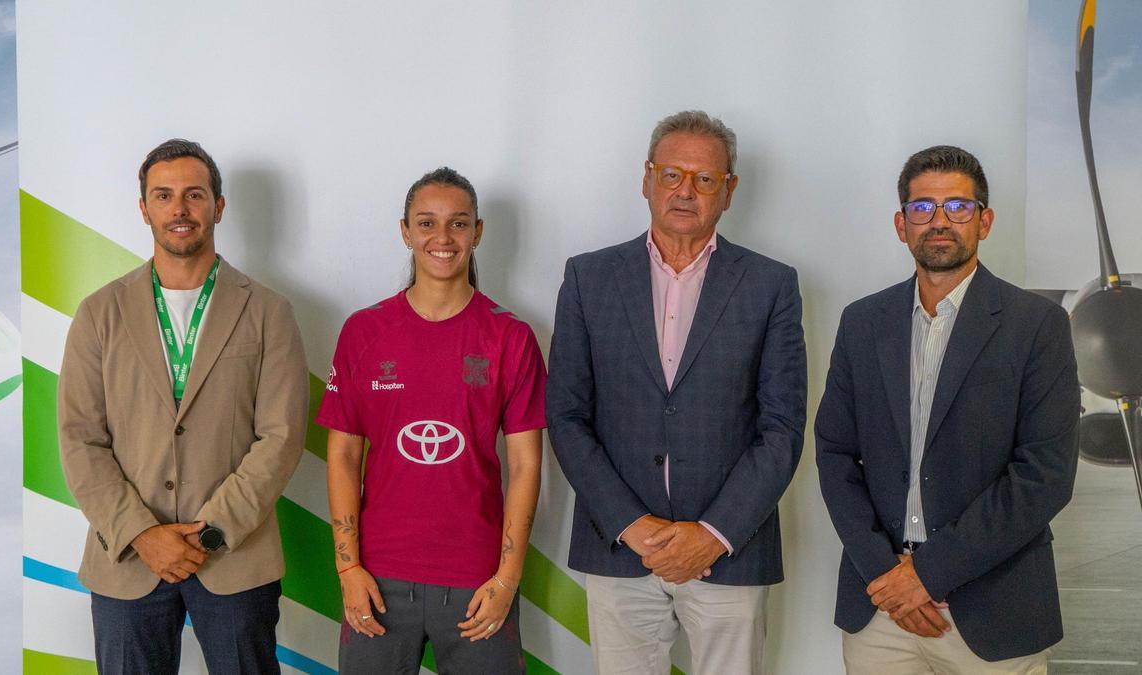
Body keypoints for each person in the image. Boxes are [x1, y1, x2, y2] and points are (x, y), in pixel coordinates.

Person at [546, 110, 807, 674]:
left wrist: (714, 533)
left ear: (729, 190)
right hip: (618, 545)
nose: (685, 191)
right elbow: (566, 416)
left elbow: (781, 430)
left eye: (704, 178)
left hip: (729, 550)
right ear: (646, 179)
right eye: (671, 174)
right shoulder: (588, 278)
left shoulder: (771, 285)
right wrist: (630, 525)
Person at [816, 145, 1080, 673]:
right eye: (922, 208)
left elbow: (1043, 476)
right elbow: (835, 453)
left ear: (985, 220)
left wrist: (926, 576)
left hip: (994, 612)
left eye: (958, 207)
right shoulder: (862, 323)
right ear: (901, 223)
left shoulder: (1037, 326)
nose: (939, 221)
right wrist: (887, 577)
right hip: (880, 609)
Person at [58, 138, 309, 673]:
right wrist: (141, 534)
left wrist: (212, 531)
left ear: (218, 206)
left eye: (194, 194)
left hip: (235, 557)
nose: (179, 208)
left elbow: (281, 436)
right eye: (164, 195)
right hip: (127, 558)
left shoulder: (269, 312)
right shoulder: (99, 313)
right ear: (144, 208)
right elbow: (80, 438)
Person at [316, 167, 546, 673]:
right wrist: (348, 566)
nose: (442, 238)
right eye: (426, 223)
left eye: (458, 224)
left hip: (478, 582)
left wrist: (507, 579)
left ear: (478, 232)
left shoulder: (510, 337)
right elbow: (343, 453)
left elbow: (527, 467)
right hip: (376, 579)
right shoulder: (364, 331)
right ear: (405, 231)